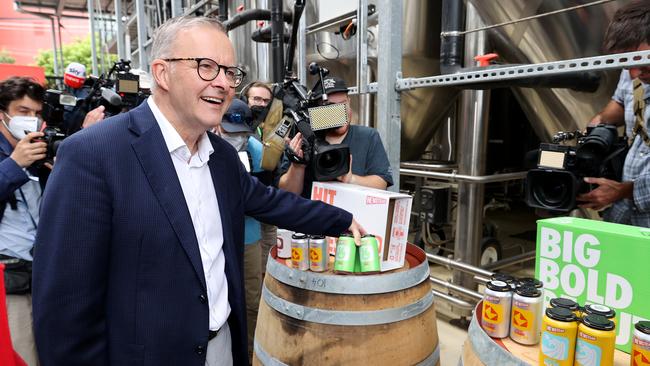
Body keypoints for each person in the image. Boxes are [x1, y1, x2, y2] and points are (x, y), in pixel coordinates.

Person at [32, 15, 363, 366]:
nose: (223, 83)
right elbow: (65, 312)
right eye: (206, 67)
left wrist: (341, 221)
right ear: (162, 73)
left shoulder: (221, 157)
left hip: (222, 348)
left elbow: (271, 201)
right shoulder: (94, 155)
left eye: (230, 72)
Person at [577, 0, 650, 226]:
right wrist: (596, 125)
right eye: (627, 64)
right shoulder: (633, 73)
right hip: (624, 214)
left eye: (644, 63)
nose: (635, 73)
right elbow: (620, 103)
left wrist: (623, 191)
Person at [278, 76, 394, 198]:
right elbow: (287, 194)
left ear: (349, 101)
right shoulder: (303, 138)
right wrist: (297, 166)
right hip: (312, 215)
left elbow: (382, 183)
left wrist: (351, 179)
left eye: (343, 104)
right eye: (331, 106)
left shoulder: (368, 136)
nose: (340, 112)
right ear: (317, 111)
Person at [0, 76, 47, 366]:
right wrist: (14, 164)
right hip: (10, 281)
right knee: (21, 356)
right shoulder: (15, 156)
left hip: (42, 275)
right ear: (2, 114)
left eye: (36, 113)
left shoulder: (40, 148)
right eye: (22, 111)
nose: (31, 119)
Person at [215, 99, 263, 362]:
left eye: (240, 134)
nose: (234, 139)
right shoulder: (204, 145)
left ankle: (251, 352)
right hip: (215, 240)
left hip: (249, 237)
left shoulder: (255, 148)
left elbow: (266, 193)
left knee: (251, 300)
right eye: (228, 132)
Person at [241, 81, 278, 276]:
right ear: (244, 99)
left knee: (268, 264)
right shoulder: (236, 127)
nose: (261, 105)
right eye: (256, 99)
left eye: (266, 101)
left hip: (268, 204)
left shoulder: (271, 127)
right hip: (248, 214)